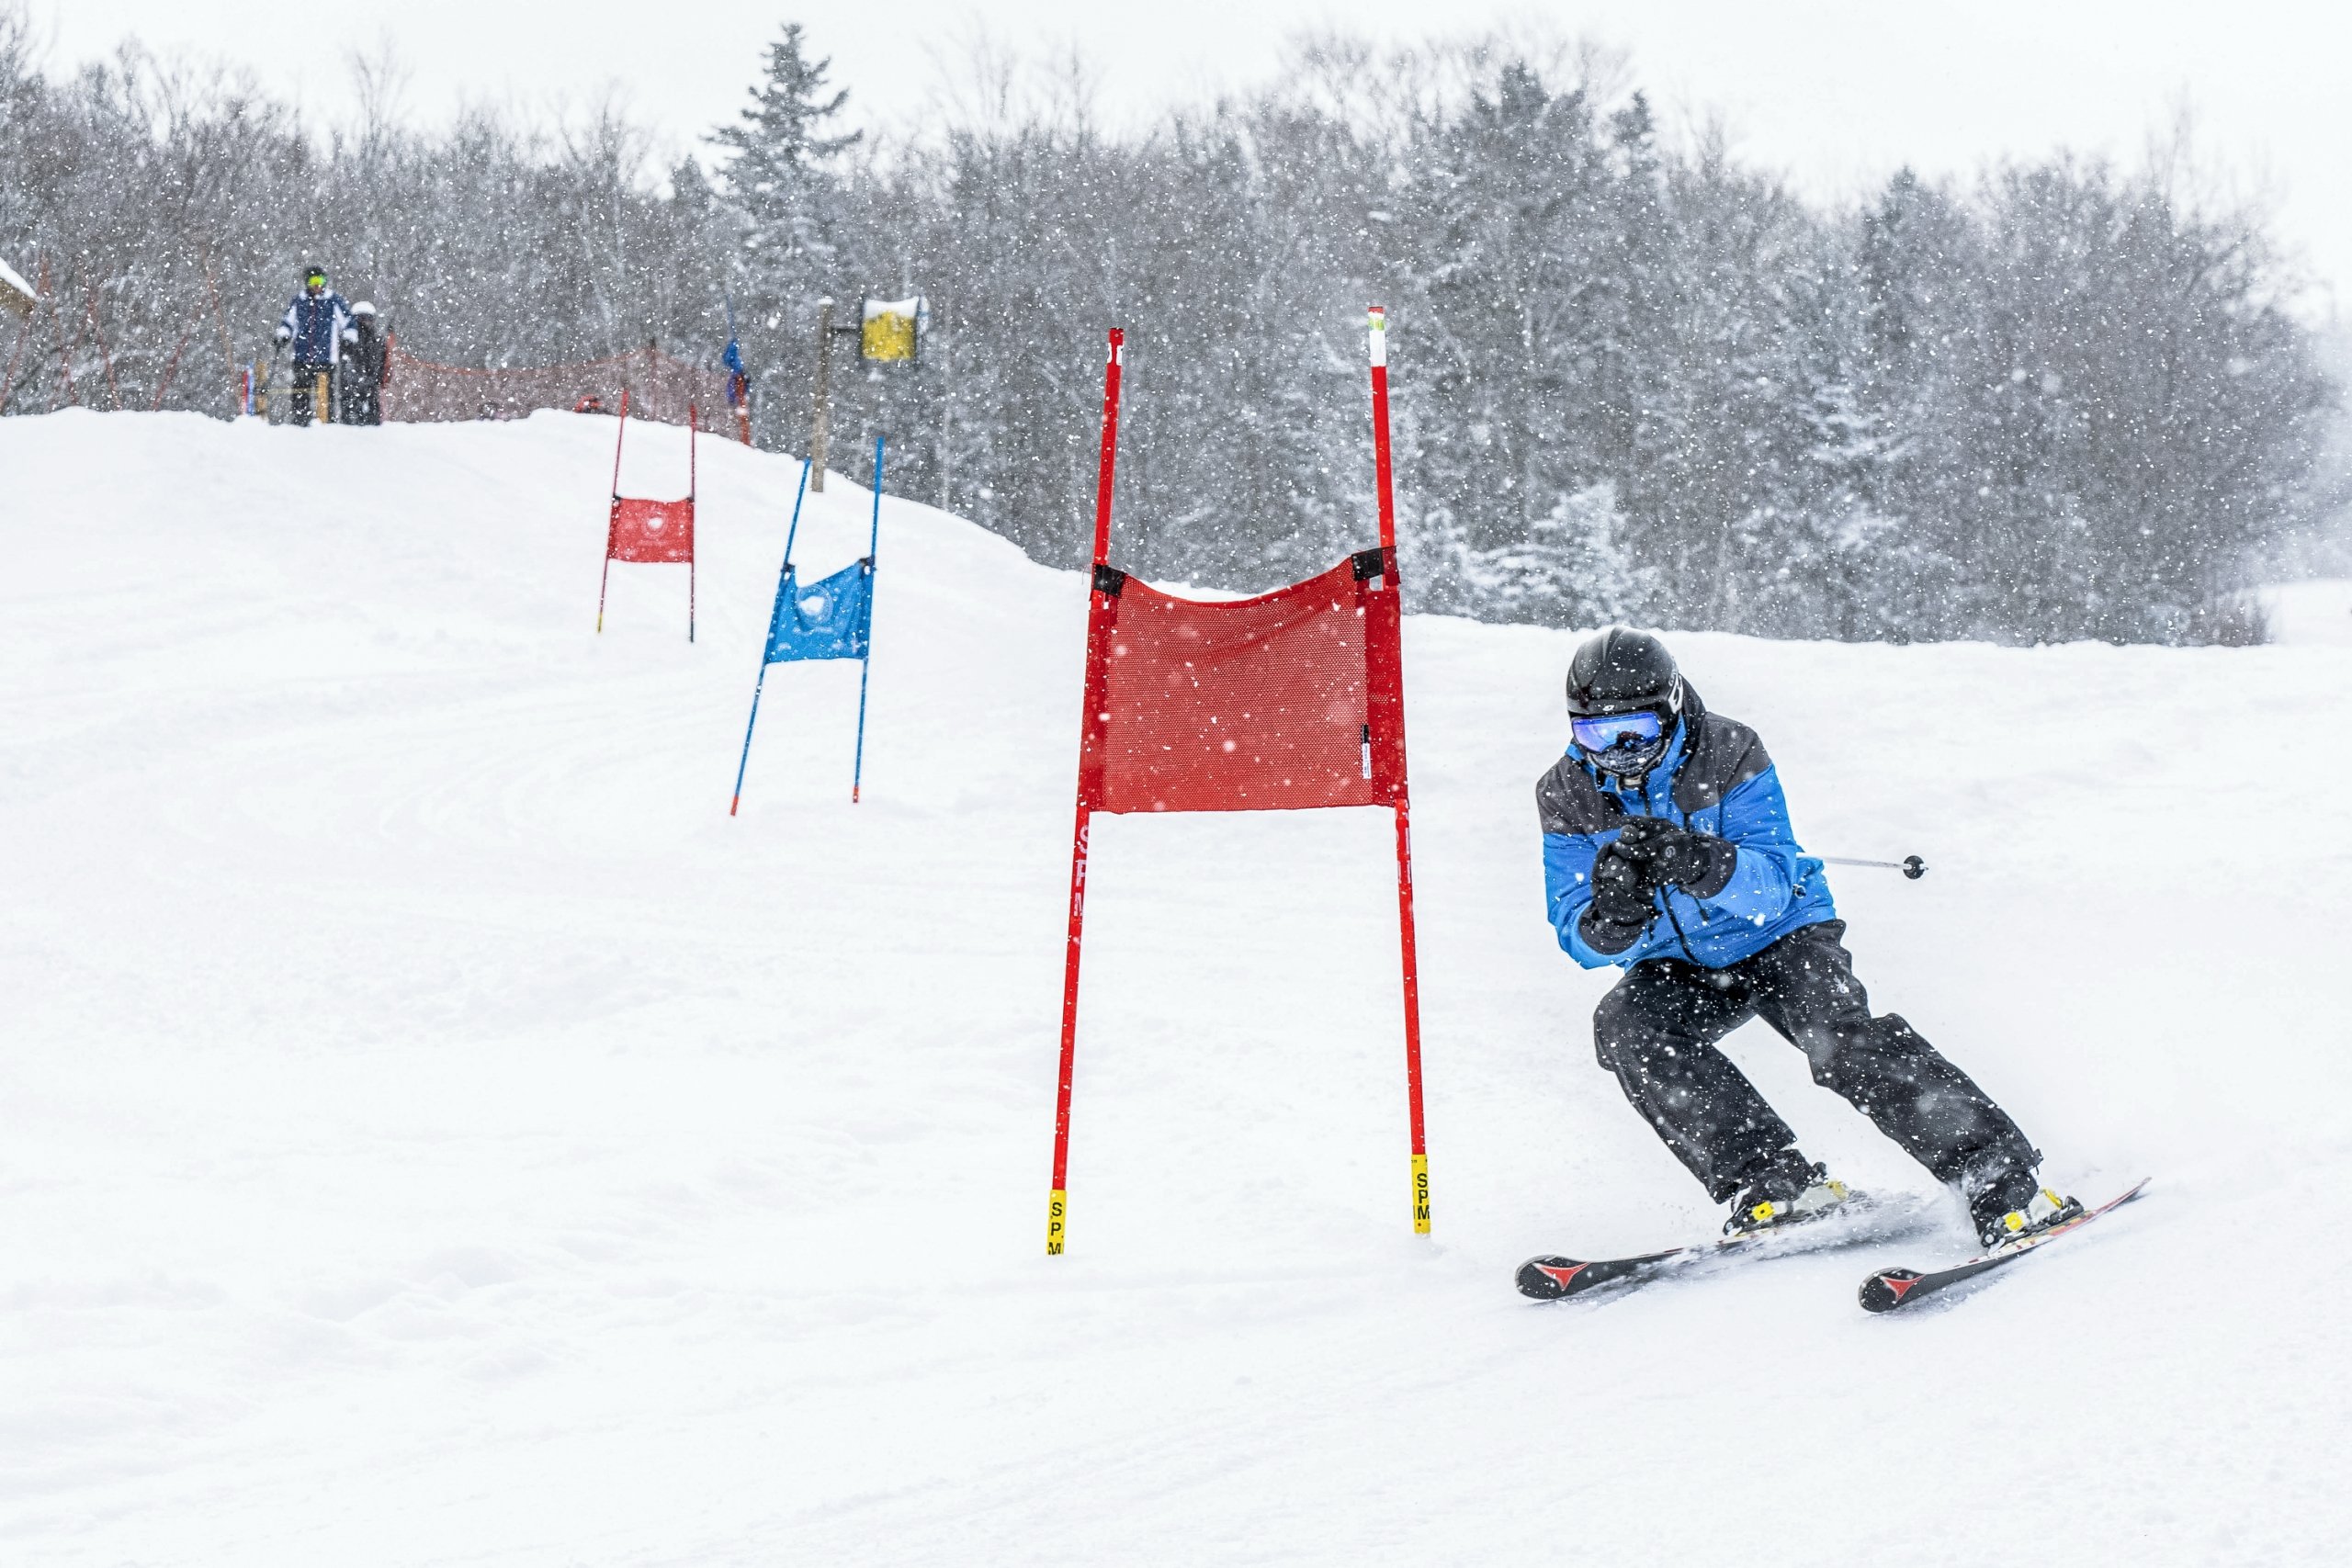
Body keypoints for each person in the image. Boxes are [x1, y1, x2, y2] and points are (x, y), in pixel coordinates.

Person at [1538, 627, 2078, 1251]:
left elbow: (1771, 886)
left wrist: (1699, 862)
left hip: (1783, 936)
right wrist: (1614, 914)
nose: (1620, 753)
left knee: (1839, 1041)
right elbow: (1573, 927)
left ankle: (1996, 1171)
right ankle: (1772, 1180)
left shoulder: (1728, 750)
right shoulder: (1565, 793)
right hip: (1681, 961)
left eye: (1635, 731)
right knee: (1627, 1025)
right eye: (1596, 736)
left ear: (1672, 706)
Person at [274, 265, 355, 423]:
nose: (318, 285)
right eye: (313, 281)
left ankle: (327, 422)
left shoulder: (332, 300)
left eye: (321, 281)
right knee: (300, 393)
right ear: (307, 282)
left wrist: (349, 339)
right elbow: (287, 322)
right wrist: (283, 336)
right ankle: (300, 421)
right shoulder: (299, 301)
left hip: (326, 359)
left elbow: (348, 322)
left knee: (325, 394)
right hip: (302, 357)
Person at [338, 301, 390, 425]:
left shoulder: (377, 340)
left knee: (372, 416)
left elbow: (383, 361)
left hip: (370, 384)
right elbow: (343, 360)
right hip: (351, 385)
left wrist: (381, 376)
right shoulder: (348, 340)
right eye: (361, 318)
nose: (364, 322)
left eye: (368, 318)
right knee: (350, 417)